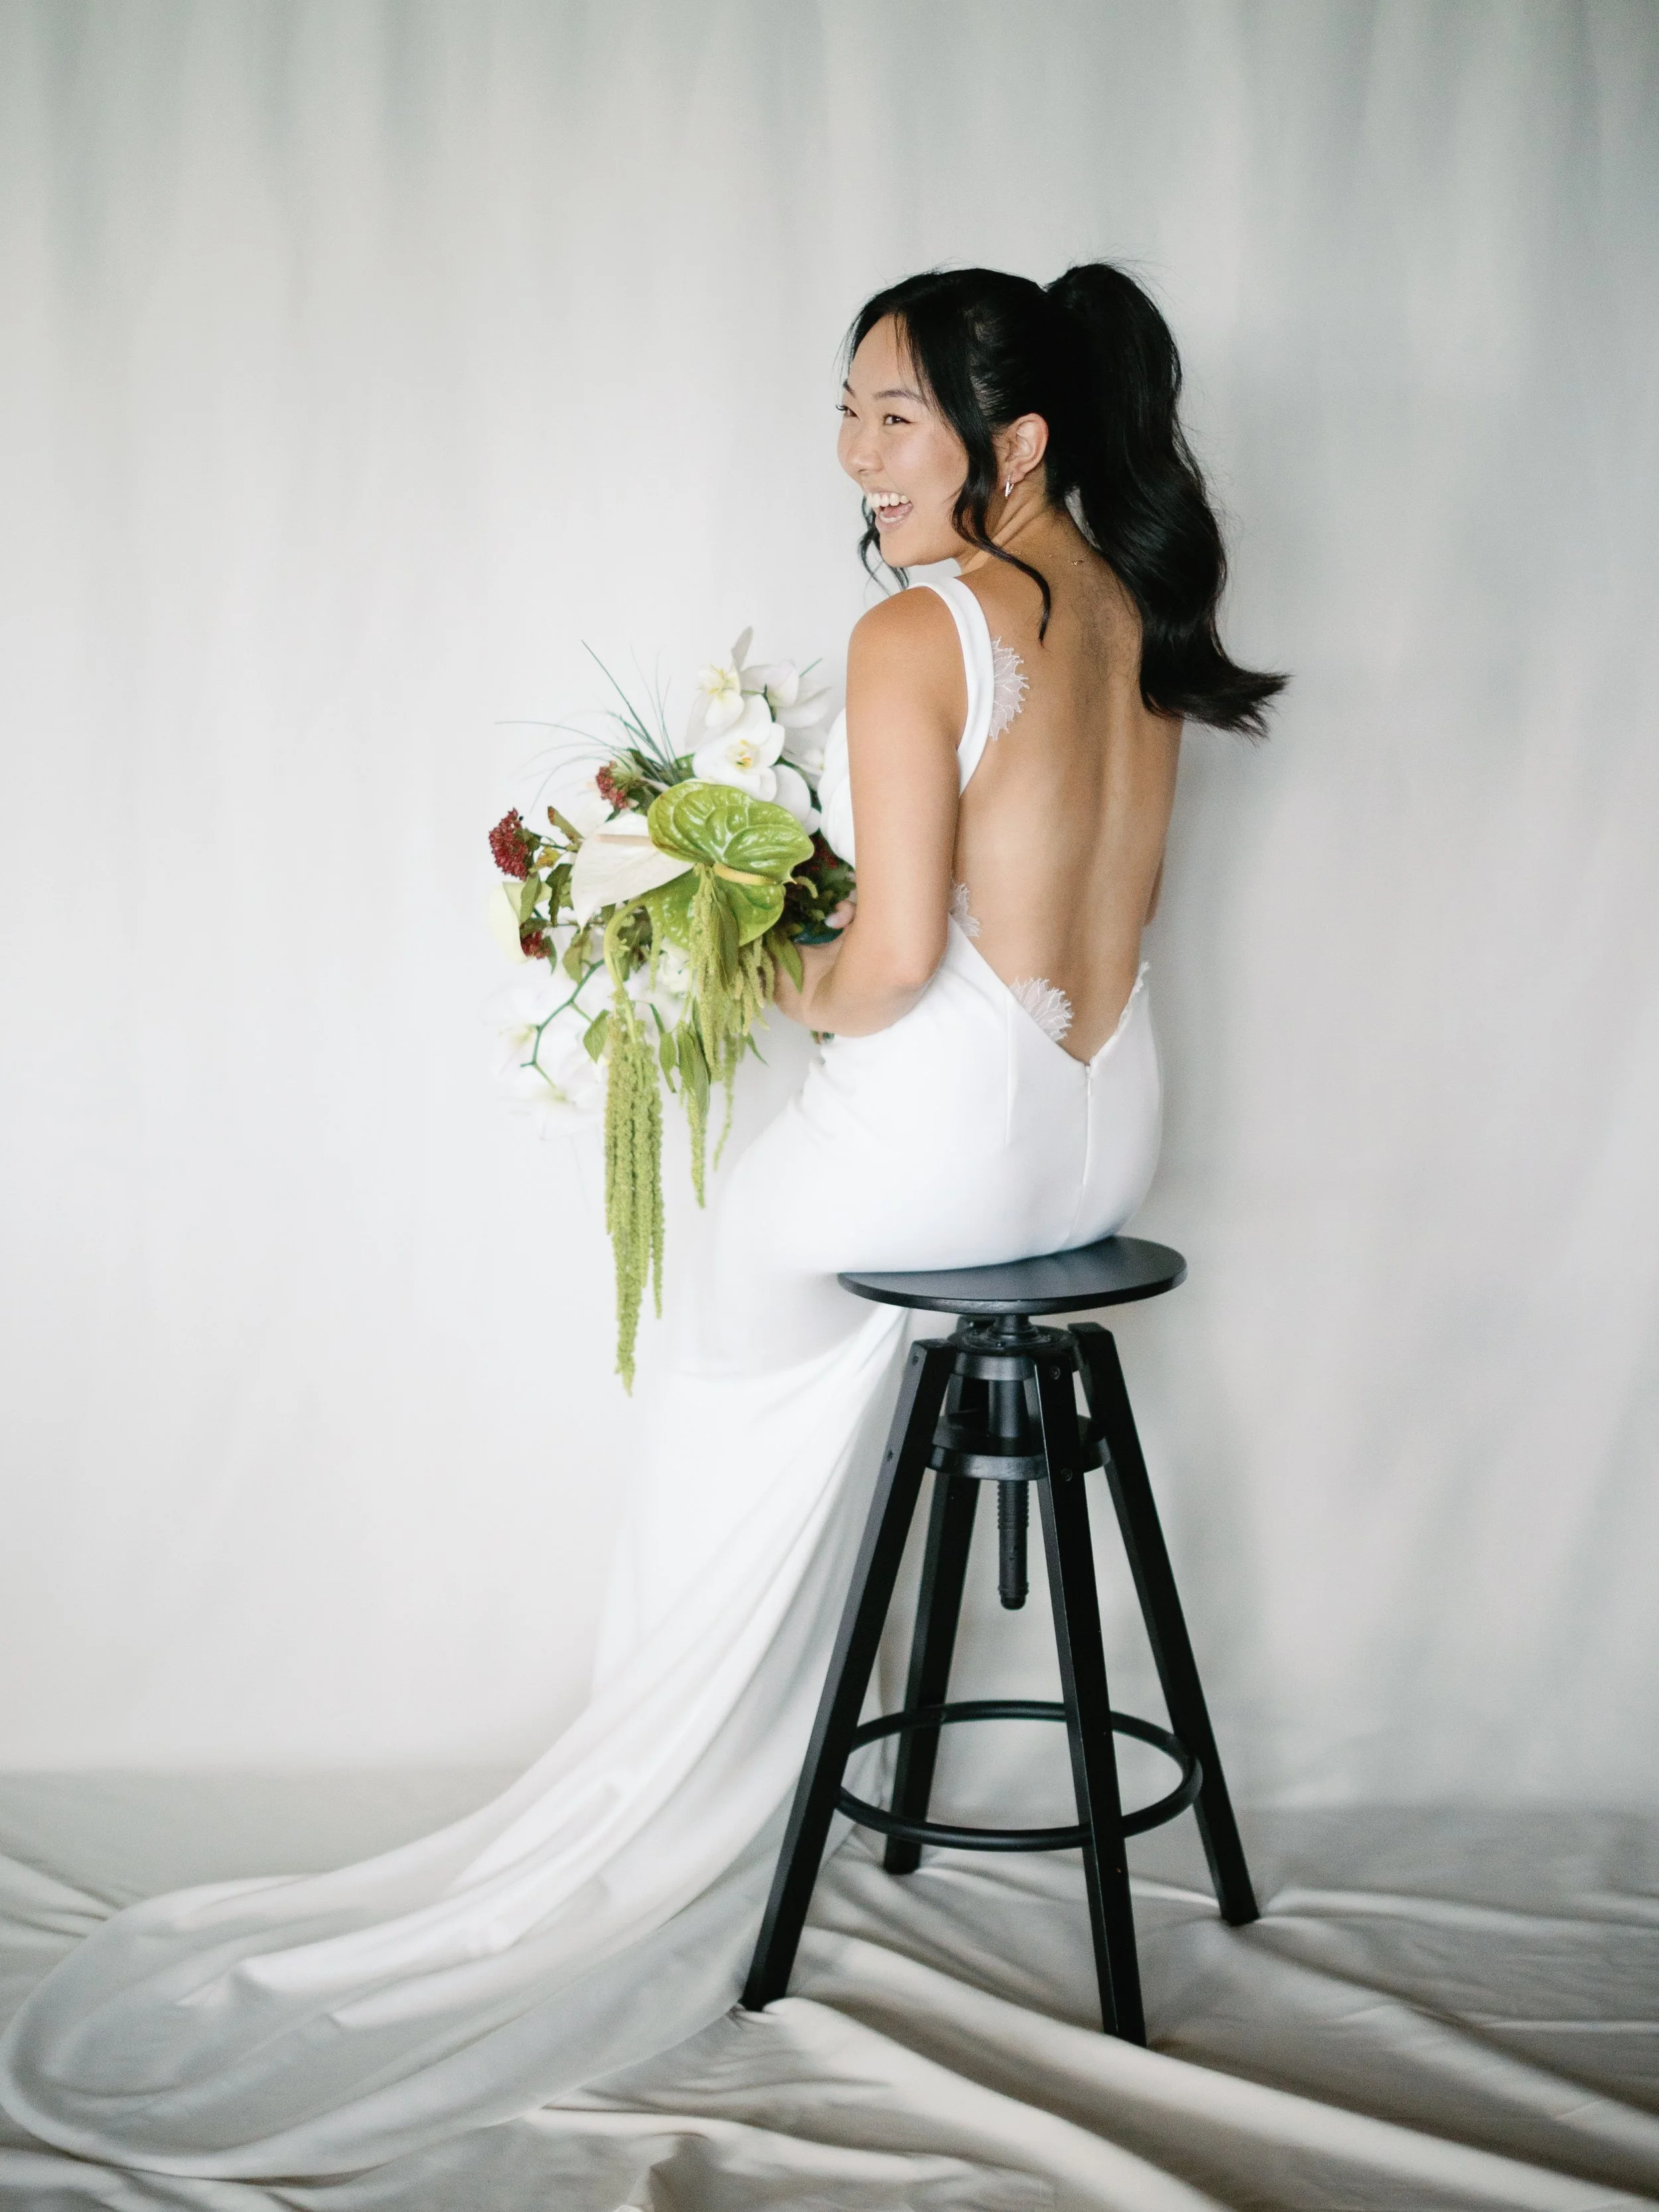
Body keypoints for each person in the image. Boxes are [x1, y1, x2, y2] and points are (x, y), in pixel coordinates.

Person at [0, 264, 1283, 2178]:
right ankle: (769, 1743)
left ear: (1009, 442)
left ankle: (662, 1800)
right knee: (809, 1339)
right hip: (1107, 1129)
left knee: (709, 1322)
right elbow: (1100, 913)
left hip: (949, 1138)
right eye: (844, 408)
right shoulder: (1139, 610)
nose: (852, 452)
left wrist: (734, 945)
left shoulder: (917, 629)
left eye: (893, 417)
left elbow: (883, 973)